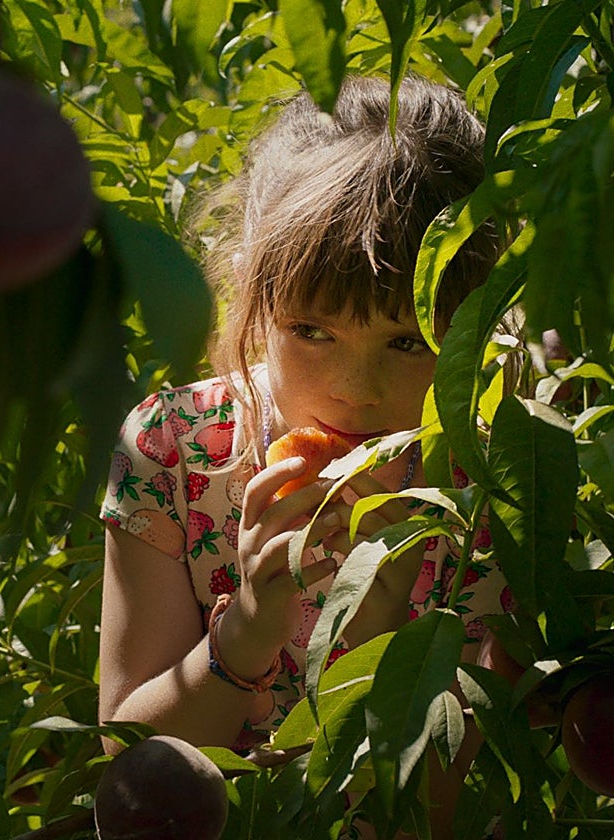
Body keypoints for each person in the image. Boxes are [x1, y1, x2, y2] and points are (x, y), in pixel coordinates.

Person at [97, 74, 511, 814]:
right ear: (252, 296)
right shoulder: (178, 450)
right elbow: (131, 769)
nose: (355, 387)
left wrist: (378, 623)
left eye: (409, 342)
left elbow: (430, 806)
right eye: (313, 332)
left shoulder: (490, 487)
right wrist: (251, 625)